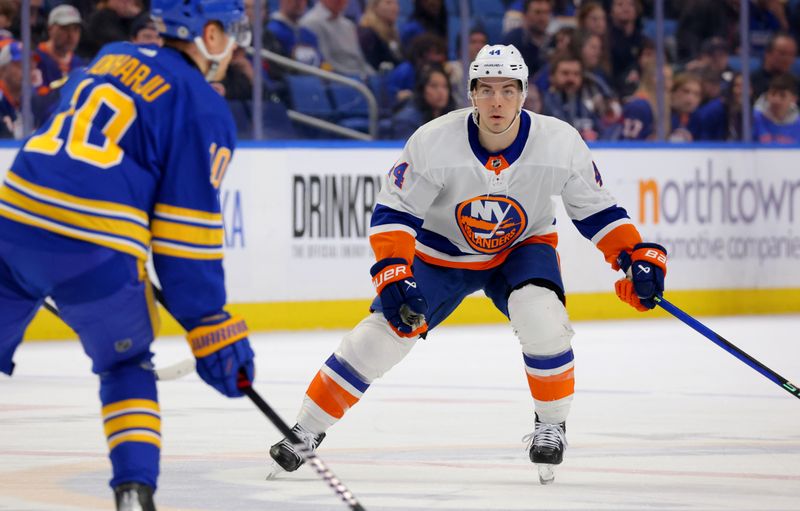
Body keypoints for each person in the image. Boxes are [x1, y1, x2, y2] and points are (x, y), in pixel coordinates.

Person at [266, 44, 668, 485]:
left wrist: (633, 256)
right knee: (380, 337)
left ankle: (551, 423)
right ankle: (305, 429)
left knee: (543, 319)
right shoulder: (434, 140)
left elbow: (596, 211)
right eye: (487, 89)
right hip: (441, 254)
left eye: (508, 90)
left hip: (522, 246)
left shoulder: (559, 142)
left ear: (524, 93)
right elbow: (394, 214)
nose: (498, 101)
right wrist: (393, 269)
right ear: (471, 93)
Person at [0, 0, 256, 509]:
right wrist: (208, 325)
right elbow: (184, 237)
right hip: (93, 255)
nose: (235, 45)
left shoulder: (111, 56)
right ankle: (133, 491)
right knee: (126, 365)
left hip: (13, 225)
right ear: (207, 35)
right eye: (230, 32)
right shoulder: (203, 107)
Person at [390, 62, 455, 138]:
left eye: (445, 86)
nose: (441, 92)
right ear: (422, 90)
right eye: (434, 86)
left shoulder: (453, 118)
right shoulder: (407, 121)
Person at [35, 4, 85, 90]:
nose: (71, 35)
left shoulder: (79, 64)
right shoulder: (35, 59)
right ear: (50, 29)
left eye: (76, 29)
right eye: (65, 28)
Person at [753, 73, 800, 144]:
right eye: (773, 94)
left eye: (782, 95)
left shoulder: (798, 123)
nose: (776, 100)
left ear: (794, 99)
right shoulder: (755, 118)